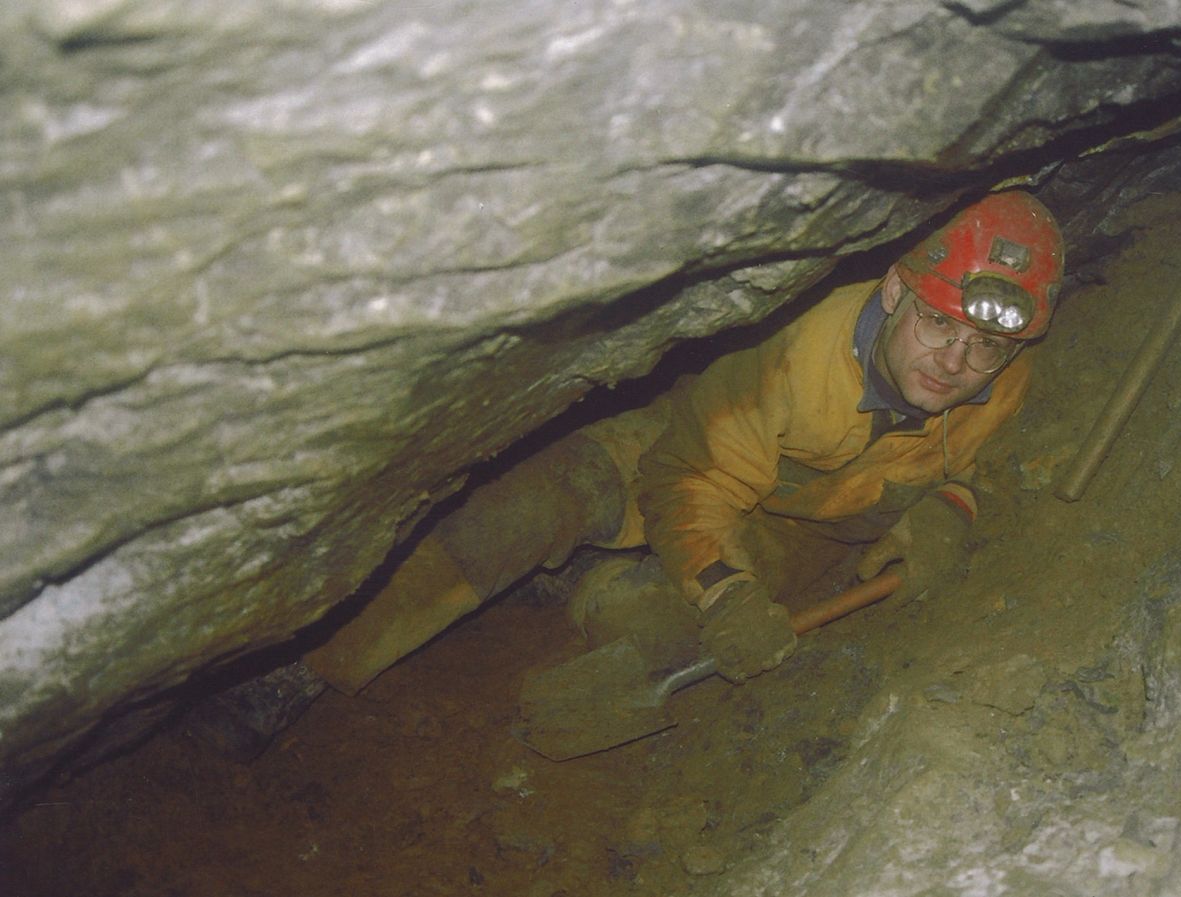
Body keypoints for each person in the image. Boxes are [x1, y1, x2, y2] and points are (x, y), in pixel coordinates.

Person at [190, 190, 1065, 757]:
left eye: (987, 344)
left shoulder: (1000, 376)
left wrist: (948, 505)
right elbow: (692, 478)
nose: (958, 361)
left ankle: (589, 587)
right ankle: (308, 667)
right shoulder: (796, 357)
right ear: (892, 293)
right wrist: (723, 586)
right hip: (691, 453)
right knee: (523, 510)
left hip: (799, 522)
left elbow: (969, 460)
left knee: (674, 635)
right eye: (941, 327)